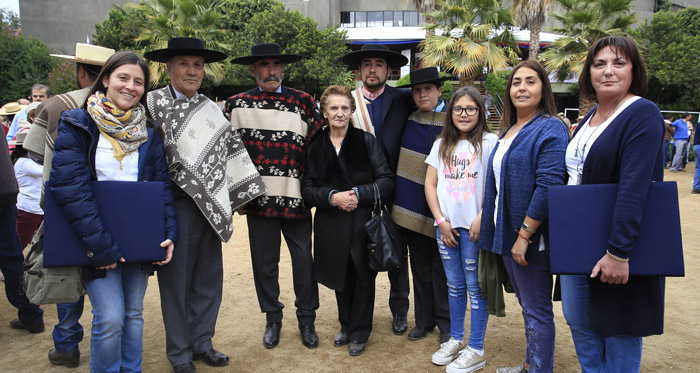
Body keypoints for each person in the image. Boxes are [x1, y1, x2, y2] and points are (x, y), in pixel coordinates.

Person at [47, 51, 178, 372]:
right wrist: (100, 247)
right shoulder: (78, 124)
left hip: (138, 241)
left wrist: (169, 233)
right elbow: (69, 188)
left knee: (134, 314)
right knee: (110, 317)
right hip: (95, 242)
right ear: (105, 79)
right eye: (123, 78)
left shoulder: (148, 130)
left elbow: (161, 187)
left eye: (138, 82)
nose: (130, 87)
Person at [145, 37, 264, 373]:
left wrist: (238, 195)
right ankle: (180, 355)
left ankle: (203, 343)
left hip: (210, 206)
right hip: (173, 206)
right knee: (176, 284)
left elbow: (230, 154)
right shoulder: (152, 106)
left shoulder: (212, 108)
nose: (192, 71)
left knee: (208, 279)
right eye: (184, 63)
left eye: (197, 65)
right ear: (168, 68)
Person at [560, 35, 666, 372]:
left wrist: (619, 252)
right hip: (578, 241)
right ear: (589, 71)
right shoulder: (591, 116)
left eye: (619, 63)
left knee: (618, 329)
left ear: (634, 70)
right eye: (599, 63)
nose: (608, 71)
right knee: (578, 320)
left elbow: (635, 188)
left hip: (616, 244)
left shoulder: (641, 113)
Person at [21, 42, 115, 369]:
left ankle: (66, 344)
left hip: (62, 206)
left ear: (80, 71)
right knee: (105, 274)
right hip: (108, 206)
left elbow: (33, 153)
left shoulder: (55, 105)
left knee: (66, 275)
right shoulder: (120, 104)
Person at [226, 43, 322, 350]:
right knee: (263, 264)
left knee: (303, 263)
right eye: (264, 65)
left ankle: (307, 319)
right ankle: (272, 318)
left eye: (276, 65)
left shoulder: (304, 102)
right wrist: (237, 197)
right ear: (252, 70)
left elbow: (319, 149)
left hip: (297, 200)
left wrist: (313, 190)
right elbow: (225, 155)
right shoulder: (235, 105)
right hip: (258, 202)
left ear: (283, 69)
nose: (271, 71)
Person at [479, 60, 569, 373]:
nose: (522, 87)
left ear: (543, 88)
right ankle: (531, 362)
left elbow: (549, 184)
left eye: (531, 81)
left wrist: (524, 236)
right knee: (527, 307)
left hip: (531, 238)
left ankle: (539, 369)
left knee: (538, 309)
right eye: (516, 82)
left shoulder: (551, 127)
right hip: (508, 235)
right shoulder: (509, 130)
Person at [301, 85, 393, 356]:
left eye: (344, 108)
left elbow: (386, 181)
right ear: (324, 112)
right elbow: (307, 189)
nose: (339, 113)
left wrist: (356, 194)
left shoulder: (366, 141)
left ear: (352, 111)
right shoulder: (315, 144)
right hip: (331, 223)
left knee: (363, 276)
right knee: (340, 275)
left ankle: (360, 331)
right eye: (333, 108)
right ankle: (346, 324)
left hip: (362, 221)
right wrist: (331, 197)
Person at [341, 43, 414, 335]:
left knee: (398, 254)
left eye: (379, 64)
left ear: (389, 70)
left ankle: (400, 309)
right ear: (359, 70)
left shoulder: (405, 99)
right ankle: (361, 316)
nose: (373, 69)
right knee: (361, 253)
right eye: (367, 64)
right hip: (359, 192)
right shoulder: (347, 102)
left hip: (398, 189)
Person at [426, 86, 498, 372]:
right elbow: (430, 185)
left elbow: (496, 184)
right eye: (458, 109)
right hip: (446, 228)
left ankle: (476, 347)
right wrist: (440, 221)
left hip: (475, 229)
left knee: (475, 287)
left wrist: (482, 215)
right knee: (454, 287)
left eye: (470, 109)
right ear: (450, 112)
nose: (464, 114)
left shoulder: (491, 142)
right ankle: (456, 339)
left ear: (480, 111)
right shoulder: (442, 143)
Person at [391, 67, 451, 343]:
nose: (422, 94)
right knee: (419, 266)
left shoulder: (453, 121)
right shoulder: (411, 119)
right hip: (413, 206)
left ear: (440, 91)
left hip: (445, 210)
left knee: (442, 269)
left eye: (428, 89)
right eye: (417, 90)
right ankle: (424, 320)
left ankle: (446, 324)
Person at [1, 132, 45, 335]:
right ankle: (31, 314)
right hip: (7, 196)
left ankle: (31, 314)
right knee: (13, 260)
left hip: (10, 198)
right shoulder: (23, 163)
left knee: (14, 258)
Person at [9, 111, 43, 249]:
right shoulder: (24, 163)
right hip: (29, 208)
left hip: (35, 208)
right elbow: (44, 171)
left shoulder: (25, 161)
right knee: (22, 241)